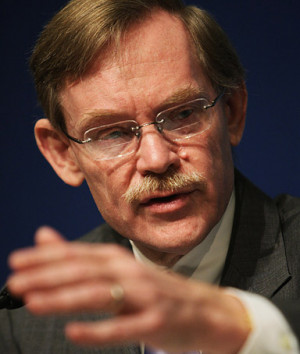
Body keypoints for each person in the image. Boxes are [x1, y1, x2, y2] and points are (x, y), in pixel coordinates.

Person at [0, 0, 299, 353]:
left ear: (232, 112)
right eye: (112, 134)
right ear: (64, 154)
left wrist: (235, 323)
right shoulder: (25, 327)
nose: (157, 160)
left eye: (183, 113)